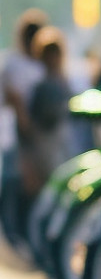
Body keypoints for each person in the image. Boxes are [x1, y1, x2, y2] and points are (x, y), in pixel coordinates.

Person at [0, 9, 48, 244]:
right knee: (15, 185)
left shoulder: (42, 63)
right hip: (18, 136)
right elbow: (13, 98)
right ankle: (15, 236)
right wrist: (26, 127)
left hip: (40, 136)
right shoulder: (14, 63)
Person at [19, 26, 73, 202]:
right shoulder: (39, 88)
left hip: (65, 152)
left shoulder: (68, 85)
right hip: (43, 153)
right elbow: (29, 127)